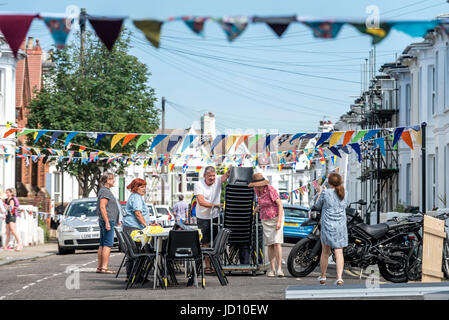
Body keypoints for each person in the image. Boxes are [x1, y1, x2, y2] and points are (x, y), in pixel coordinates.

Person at [313, 172, 348, 286]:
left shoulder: (326, 192)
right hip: (340, 226)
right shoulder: (345, 192)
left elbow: (317, 206)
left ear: (329, 182)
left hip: (328, 225)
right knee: (339, 252)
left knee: (325, 252)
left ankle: (323, 276)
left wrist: (319, 193)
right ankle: (339, 278)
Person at [194, 166, 230, 274]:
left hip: (216, 215)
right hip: (203, 217)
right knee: (205, 243)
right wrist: (215, 205)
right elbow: (201, 201)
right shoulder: (199, 184)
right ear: (205, 176)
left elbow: (225, 176)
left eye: (214, 176)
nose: (212, 178)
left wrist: (230, 171)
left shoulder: (217, 179)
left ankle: (217, 265)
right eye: (210, 176)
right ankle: (208, 266)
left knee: (218, 241)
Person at [249, 173, 284, 277]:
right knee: (270, 244)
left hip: (276, 216)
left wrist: (279, 221)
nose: (258, 187)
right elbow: (261, 203)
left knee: (277, 243)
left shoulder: (270, 189)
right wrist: (253, 212)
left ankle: (279, 269)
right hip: (265, 218)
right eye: (256, 185)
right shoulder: (256, 191)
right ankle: (272, 269)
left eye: (259, 185)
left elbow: (280, 205)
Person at [122, 178, 151, 279]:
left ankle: (135, 275)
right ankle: (134, 275)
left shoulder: (136, 197)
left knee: (136, 250)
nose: (144, 189)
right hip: (132, 227)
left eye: (145, 187)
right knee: (136, 250)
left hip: (132, 226)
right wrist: (147, 226)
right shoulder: (136, 197)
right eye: (142, 187)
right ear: (136, 188)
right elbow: (138, 213)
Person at [96, 173, 121, 274]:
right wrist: (107, 222)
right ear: (107, 180)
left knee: (102, 244)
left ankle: (100, 267)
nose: (114, 180)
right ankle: (104, 267)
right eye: (112, 179)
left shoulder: (104, 191)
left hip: (108, 220)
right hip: (107, 220)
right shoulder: (105, 192)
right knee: (108, 244)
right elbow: (102, 207)